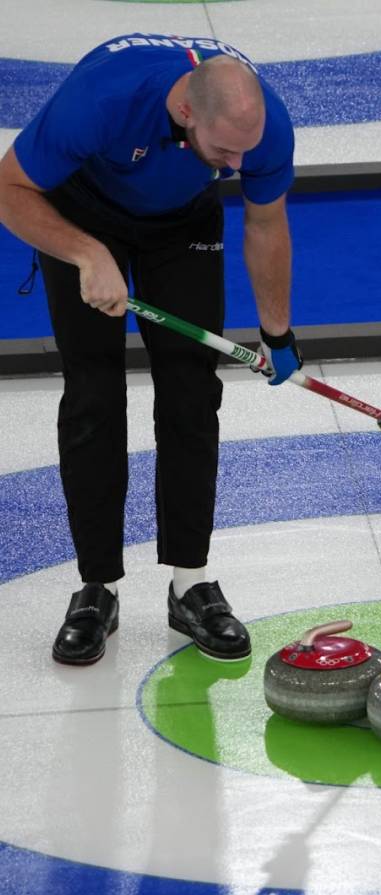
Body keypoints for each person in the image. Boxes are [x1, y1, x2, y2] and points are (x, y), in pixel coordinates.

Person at [0, 34, 303, 665]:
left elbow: (266, 221)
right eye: (224, 152)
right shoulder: (102, 99)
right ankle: (97, 588)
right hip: (81, 212)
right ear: (187, 113)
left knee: (193, 392)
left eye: (245, 153)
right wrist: (87, 254)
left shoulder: (259, 127)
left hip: (181, 225)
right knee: (94, 393)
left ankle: (191, 584)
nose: (238, 166)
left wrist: (278, 335)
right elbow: (10, 188)